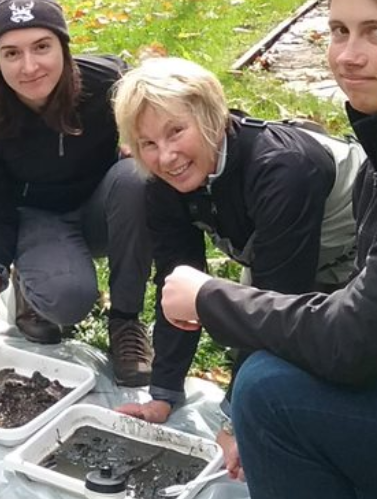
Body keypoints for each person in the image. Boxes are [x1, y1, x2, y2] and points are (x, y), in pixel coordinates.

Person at [161, 0, 377, 499]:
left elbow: (356, 340)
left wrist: (209, 298)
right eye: (338, 29)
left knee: (270, 393)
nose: (347, 55)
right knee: (334, 497)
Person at [112, 56, 361, 477]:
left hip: (362, 250)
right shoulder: (163, 181)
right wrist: (163, 393)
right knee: (240, 331)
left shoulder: (283, 170)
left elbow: (279, 305)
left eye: (176, 131)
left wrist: (237, 421)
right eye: (148, 144)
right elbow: (177, 281)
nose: (166, 156)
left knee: (331, 367)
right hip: (282, 253)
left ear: (212, 117)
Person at [0, 0, 154, 386]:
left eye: (42, 46)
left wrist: (136, 138)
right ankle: (31, 286)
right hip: (38, 218)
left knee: (138, 178)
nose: (29, 66)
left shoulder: (108, 83)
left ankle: (126, 322)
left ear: (63, 45)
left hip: (104, 205)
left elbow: (161, 110)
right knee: (67, 301)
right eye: (12, 53)